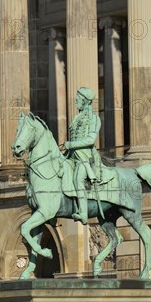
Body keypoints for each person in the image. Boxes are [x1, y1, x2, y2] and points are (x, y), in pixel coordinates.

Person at [62, 87, 102, 225]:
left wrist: (70, 145)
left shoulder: (94, 118)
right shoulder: (77, 117)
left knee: (78, 178)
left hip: (85, 157)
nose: (76, 100)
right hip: (71, 156)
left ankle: (83, 213)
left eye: (78, 98)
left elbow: (91, 140)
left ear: (85, 101)